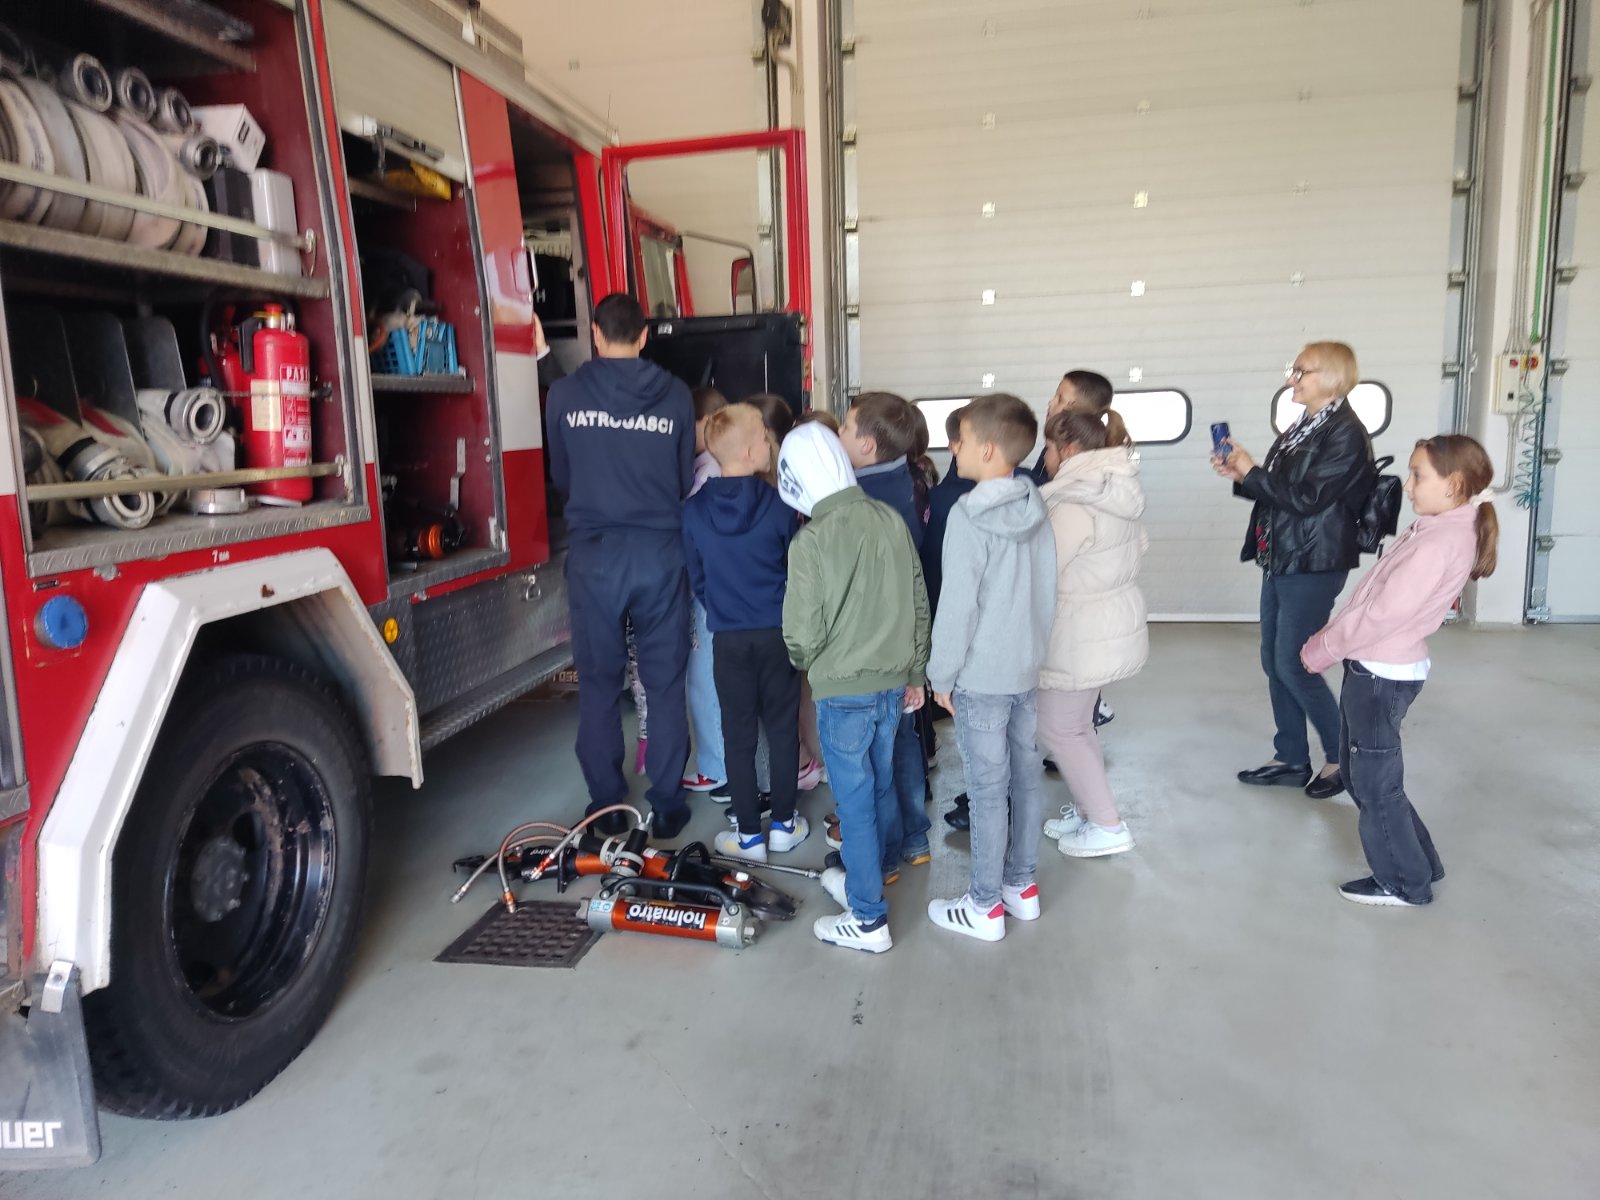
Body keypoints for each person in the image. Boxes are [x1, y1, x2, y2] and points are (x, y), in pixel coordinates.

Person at [1301, 435, 1498, 906]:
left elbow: (1382, 614)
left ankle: (1405, 882)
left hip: (1380, 672)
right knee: (1365, 775)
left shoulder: (1439, 542)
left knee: (1374, 783)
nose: (1407, 486)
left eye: (1417, 475)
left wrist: (1322, 648)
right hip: (1379, 666)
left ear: (1453, 484)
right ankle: (1420, 862)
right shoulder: (1440, 529)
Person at [546, 293, 695, 839]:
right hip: (660, 552)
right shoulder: (676, 395)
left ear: (595, 332)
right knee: (664, 682)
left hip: (596, 554)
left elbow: (561, 474)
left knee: (599, 682)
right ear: (644, 335)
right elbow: (683, 479)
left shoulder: (564, 394)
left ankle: (607, 804)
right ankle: (668, 804)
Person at [780, 423, 931, 954]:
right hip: (892, 687)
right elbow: (918, 602)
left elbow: (801, 633)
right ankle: (879, 868)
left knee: (854, 800)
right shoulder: (889, 519)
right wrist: (915, 673)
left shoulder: (810, 540)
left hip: (841, 693)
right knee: (881, 783)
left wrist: (806, 662)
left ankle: (867, 918)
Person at [1213, 341, 1373, 801]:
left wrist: (1253, 471)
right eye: (1294, 371)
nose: (1291, 380)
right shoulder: (1304, 426)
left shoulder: (1345, 433)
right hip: (1283, 556)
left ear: (1333, 377)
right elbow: (1282, 490)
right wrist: (1243, 475)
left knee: (1294, 662)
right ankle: (1290, 757)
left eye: (1301, 372)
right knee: (1274, 660)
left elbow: (1309, 499)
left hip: (1313, 561)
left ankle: (1342, 759)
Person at [925, 394, 1056, 942]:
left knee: (985, 788)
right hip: (1026, 667)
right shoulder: (1035, 502)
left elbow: (958, 605)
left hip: (982, 676)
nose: (952, 449)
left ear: (985, 449)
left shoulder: (967, 513)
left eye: (960, 440)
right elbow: (1048, 589)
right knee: (1024, 778)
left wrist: (940, 675)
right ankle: (1020, 885)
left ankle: (983, 905)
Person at [683, 405, 806, 863]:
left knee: (737, 734)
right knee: (782, 728)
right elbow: (793, 568)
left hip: (729, 638)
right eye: (765, 437)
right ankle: (785, 825)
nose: (771, 443)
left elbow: (697, 578)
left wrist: (722, 607)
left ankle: (749, 836)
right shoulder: (781, 505)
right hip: (776, 633)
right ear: (752, 451)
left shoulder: (693, 511)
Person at [1035, 410, 1149, 858]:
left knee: (1059, 727)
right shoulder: (1112, 487)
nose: (1045, 457)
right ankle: (1090, 812)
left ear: (1069, 450)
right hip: (1101, 623)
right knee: (1077, 726)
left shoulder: (1075, 500)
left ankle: (1107, 824)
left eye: (1048, 447)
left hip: (1079, 629)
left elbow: (1042, 570)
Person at [837, 392, 933, 874]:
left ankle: (887, 855)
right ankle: (916, 838)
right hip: (905, 638)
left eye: (845, 428)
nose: (838, 434)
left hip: (874, 644)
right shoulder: (908, 481)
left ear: (868, 445)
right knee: (905, 741)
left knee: (878, 754)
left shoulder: (861, 499)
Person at [682, 386, 730, 793]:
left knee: (703, 680)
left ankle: (716, 769)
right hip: (720, 592)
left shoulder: (707, 474)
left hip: (707, 594)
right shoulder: (716, 466)